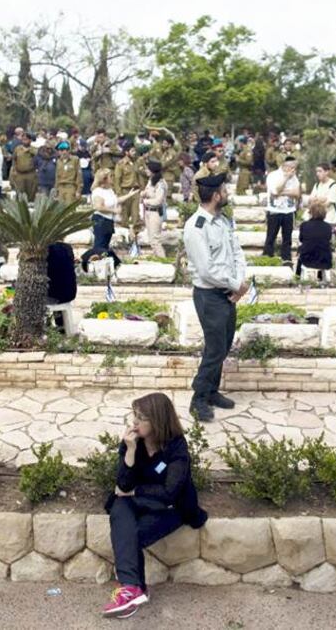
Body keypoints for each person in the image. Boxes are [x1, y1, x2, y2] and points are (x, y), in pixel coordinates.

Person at [103, 392, 208, 619]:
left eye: (141, 418)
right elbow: (122, 485)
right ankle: (132, 588)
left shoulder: (176, 447)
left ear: (158, 421)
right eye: (134, 415)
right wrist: (130, 452)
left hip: (172, 508)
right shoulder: (132, 443)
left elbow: (170, 492)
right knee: (119, 506)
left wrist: (135, 491)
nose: (135, 422)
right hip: (139, 503)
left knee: (130, 534)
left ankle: (135, 590)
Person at [182, 172, 247, 422]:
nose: (227, 194)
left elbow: (236, 252)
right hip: (209, 295)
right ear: (216, 196)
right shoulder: (196, 227)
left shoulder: (222, 221)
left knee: (224, 344)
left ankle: (211, 391)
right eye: (224, 190)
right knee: (215, 348)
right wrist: (236, 285)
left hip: (227, 292)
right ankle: (198, 398)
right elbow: (207, 270)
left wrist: (238, 284)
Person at [89, 168, 137, 262]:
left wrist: (129, 195)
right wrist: (114, 210)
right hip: (100, 220)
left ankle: (103, 263)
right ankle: (95, 263)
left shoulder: (109, 190)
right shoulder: (98, 191)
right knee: (100, 245)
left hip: (108, 221)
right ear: (104, 179)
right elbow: (99, 207)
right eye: (110, 176)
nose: (113, 178)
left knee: (105, 245)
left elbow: (115, 200)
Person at [263, 156, 300, 264]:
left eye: (295, 168)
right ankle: (268, 257)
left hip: (289, 210)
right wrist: (286, 178)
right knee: (271, 236)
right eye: (292, 167)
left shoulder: (295, 178)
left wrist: (283, 192)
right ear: (285, 166)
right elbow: (275, 191)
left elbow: (297, 194)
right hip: (274, 210)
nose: (294, 170)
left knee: (287, 238)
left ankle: (286, 259)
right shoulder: (273, 175)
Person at [296, 200, 333, 280]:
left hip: (308, 259)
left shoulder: (305, 225)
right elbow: (329, 239)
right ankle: (320, 277)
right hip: (325, 260)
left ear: (311, 213)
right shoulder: (328, 227)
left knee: (302, 250)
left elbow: (301, 239)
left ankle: (297, 277)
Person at [141, 161, 168, 258]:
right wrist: (144, 193)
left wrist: (146, 201)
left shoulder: (161, 184)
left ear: (153, 170)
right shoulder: (151, 181)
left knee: (156, 240)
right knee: (151, 240)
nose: (146, 171)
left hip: (155, 213)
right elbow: (148, 192)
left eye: (147, 169)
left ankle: (163, 261)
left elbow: (158, 200)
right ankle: (157, 259)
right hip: (148, 212)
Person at [10, 132, 38, 200]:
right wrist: (14, 170)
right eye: (23, 139)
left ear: (30, 140)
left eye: (26, 139)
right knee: (20, 194)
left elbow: (38, 158)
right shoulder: (17, 149)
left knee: (31, 194)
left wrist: (29, 151)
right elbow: (14, 159)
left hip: (30, 174)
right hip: (19, 174)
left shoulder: (34, 149)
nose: (24, 141)